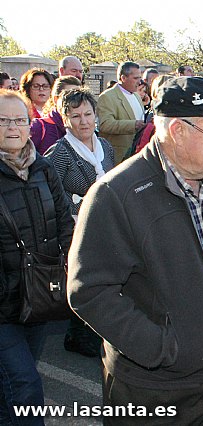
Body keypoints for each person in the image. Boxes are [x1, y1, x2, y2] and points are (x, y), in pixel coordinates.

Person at [67, 77, 203, 424]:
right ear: (178, 131)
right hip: (151, 390)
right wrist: (161, 349)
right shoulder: (116, 194)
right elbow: (89, 291)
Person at [0, 89, 74, 425]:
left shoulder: (43, 169)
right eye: (2, 121)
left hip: (38, 298)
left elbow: (64, 225)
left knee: (11, 389)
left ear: (30, 126)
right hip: (2, 308)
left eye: (18, 120)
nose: (11, 127)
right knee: (26, 387)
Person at [45, 88, 116, 358]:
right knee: (85, 280)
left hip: (106, 224)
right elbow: (52, 192)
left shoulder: (105, 146)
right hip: (78, 227)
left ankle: (95, 331)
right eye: (75, 116)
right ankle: (77, 335)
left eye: (88, 114)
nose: (83, 121)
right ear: (65, 119)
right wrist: (80, 206)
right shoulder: (59, 152)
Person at [96, 61, 146, 162]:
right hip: (117, 157)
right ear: (123, 78)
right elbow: (105, 125)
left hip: (137, 155)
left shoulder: (136, 95)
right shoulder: (107, 96)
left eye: (140, 78)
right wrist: (134, 125)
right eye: (136, 78)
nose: (139, 82)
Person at [29, 75, 82, 154]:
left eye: (80, 97)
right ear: (56, 99)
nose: (76, 101)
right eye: (69, 97)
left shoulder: (84, 126)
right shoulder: (39, 127)